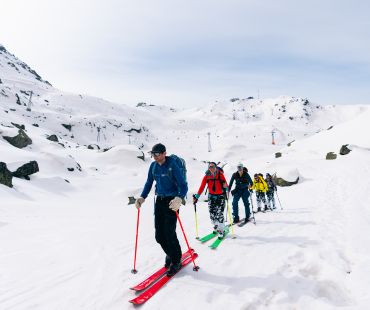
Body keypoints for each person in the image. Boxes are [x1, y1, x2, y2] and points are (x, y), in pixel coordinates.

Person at [135, 143, 188, 276]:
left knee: (169, 233)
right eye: (153, 154)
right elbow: (149, 183)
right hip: (159, 201)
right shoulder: (153, 166)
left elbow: (183, 185)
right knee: (159, 235)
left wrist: (179, 198)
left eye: (157, 154)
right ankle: (170, 254)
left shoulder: (172, 165)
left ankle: (176, 260)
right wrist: (142, 197)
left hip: (172, 201)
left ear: (164, 153)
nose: (154, 156)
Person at [193, 162, 229, 239]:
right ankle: (216, 226)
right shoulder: (207, 176)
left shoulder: (220, 174)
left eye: (212, 167)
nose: (211, 168)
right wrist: (197, 196)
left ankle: (221, 230)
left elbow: (226, 186)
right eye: (210, 167)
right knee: (212, 213)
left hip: (220, 197)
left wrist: (225, 187)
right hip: (211, 197)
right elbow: (202, 187)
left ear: (215, 167)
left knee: (219, 213)